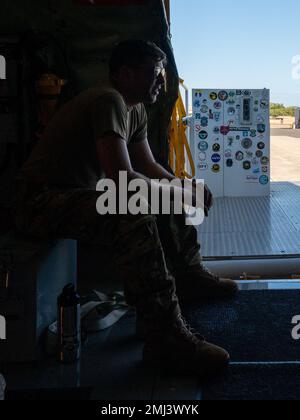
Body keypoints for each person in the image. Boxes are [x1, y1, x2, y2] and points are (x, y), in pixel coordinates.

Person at [14, 40, 237, 377]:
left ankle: (188, 277)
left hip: (75, 196)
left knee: (172, 192)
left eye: (161, 76)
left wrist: (183, 186)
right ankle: (164, 338)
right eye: (155, 75)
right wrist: (175, 191)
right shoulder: (109, 100)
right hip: (40, 202)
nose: (162, 83)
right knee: (131, 209)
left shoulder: (135, 108)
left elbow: (146, 166)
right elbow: (122, 180)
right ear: (125, 74)